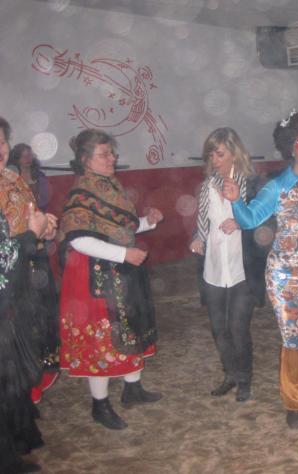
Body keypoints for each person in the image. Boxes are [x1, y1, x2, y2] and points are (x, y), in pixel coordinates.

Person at [223, 108, 298, 429]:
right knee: (294, 338)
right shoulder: (278, 186)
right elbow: (250, 219)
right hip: (286, 276)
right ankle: (295, 401)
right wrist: (236, 200)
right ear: (291, 147)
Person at [57, 129, 164, 430]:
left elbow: (120, 229)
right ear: (85, 160)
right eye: (104, 154)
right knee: (102, 338)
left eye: (112, 153)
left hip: (120, 270)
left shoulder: (110, 186)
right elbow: (79, 239)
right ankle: (100, 405)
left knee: (131, 327)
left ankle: (133, 388)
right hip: (94, 275)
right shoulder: (81, 193)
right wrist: (123, 254)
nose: (112, 158)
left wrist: (147, 222)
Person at [190, 127, 267, 402]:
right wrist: (197, 238)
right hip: (213, 268)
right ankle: (230, 374)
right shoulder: (207, 187)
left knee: (237, 328)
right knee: (218, 328)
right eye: (211, 154)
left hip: (242, 269)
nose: (214, 159)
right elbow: (204, 222)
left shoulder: (253, 185)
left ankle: (244, 379)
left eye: (220, 153)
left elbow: (266, 223)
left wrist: (241, 221)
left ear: (234, 153)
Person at [0, 116, 52, 474]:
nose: (0, 150)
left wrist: (43, 228)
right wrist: (30, 236)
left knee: (13, 372)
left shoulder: (12, 179)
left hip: (16, 292)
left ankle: (17, 440)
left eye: (2, 142)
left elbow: (27, 219)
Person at [8, 144, 50, 211]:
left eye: (29, 155)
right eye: (23, 156)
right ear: (17, 159)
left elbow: (44, 199)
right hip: (18, 211)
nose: (27, 159)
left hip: (38, 211)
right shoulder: (12, 176)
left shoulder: (40, 176)